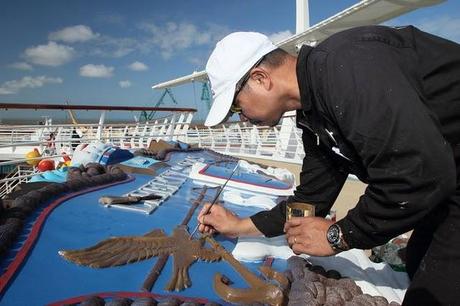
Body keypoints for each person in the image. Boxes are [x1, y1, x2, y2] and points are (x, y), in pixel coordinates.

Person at [196, 26, 460, 305]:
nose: (242, 119)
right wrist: (239, 225)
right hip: (448, 178)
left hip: (443, 175)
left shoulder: (350, 67)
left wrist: (338, 236)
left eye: (237, 107)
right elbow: (312, 199)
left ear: (260, 79)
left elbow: (417, 172)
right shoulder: (314, 114)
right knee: (418, 261)